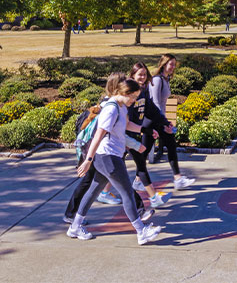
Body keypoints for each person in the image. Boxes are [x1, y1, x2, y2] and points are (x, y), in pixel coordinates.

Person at [66, 76, 162, 245]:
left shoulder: (121, 107)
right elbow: (98, 135)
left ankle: (75, 227)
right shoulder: (111, 109)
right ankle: (141, 231)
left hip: (109, 156)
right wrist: (88, 160)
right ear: (124, 93)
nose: (134, 101)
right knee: (127, 193)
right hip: (107, 157)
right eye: (133, 97)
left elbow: (126, 125)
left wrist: (146, 130)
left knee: (94, 191)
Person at [127, 62, 174, 208]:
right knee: (139, 164)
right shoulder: (128, 92)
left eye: (145, 74)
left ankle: (103, 193)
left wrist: (165, 123)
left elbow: (151, 110)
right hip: (124, 135)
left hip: (132, 133)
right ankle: (153, 198)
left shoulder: (143, 91)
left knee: (106, 175)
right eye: (139, 74)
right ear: (132, 75)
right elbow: (126, 120)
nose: (142, 77)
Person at [147, 54, 196, 190]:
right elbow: (156, 103)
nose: (173, 67)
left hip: (160, 120)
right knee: (144, 153)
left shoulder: (166, 79)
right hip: (154, 121)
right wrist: (164, 123)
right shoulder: (157, 80)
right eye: (171, 64)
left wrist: (166, 121)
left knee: (170, 146)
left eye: (174, 64)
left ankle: (178, 178)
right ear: (163, 64)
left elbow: (162, 104)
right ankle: (139, 180)